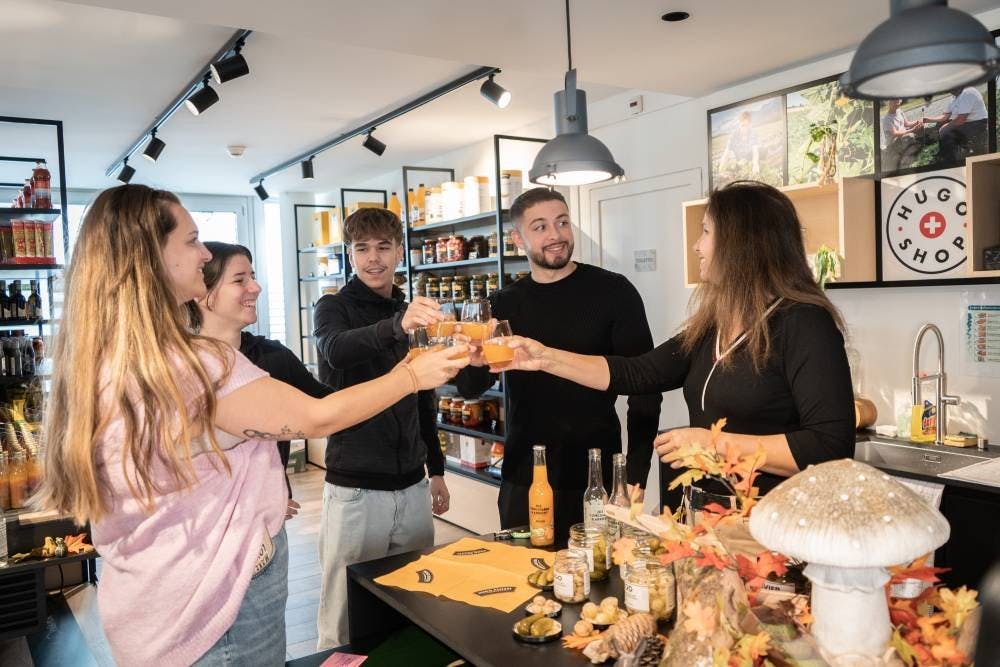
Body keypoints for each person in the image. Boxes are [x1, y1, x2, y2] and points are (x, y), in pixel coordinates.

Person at [34, 185, 468, 666]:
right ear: (149, 255)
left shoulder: (111, 360)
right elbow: (317, 415)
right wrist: (411, 375)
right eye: (193, 240)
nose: (204, 254)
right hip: (216, 610)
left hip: (156, 605)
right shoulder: (196, 365)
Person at [491, 181, 855, 510]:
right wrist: (543, 357)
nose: (697, 245)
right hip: (713, 513)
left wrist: (710, 443)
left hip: (777, 518)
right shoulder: (714, 323)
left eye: (706, 232)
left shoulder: (804, 322)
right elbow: (639, 372)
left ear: (742, 244)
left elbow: (828, 444)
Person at [455, 187, 662, 540]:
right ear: (517, 238)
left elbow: (645, 390)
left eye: (562, 222)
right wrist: (473, 356)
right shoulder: (502, 305)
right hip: (525, 474)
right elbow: (469, 388)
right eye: (540, 227)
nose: (555, 235)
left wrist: (634, 476)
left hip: (597, 475)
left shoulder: (615, 292)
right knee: (526, 580)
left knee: (599, 581)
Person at [313, 207, 453, 649]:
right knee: (344, 612)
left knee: (413, 601)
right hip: (356, 489)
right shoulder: (332, 307)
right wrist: (398, 324)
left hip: (412, 487)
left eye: (383, 247)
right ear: (349, 254)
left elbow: (423, 396)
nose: (373, 258)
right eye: (362, 248)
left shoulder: (407, 308)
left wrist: (437, 469)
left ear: (398, 251)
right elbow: (336, 350)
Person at [187, 241, 331, 512]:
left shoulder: (274, 356)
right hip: (209, 529)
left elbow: (327, 405)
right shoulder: (178, 365)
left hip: (271, 526)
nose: (255, 287)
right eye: (240, 279)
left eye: (253, 277)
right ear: (202, 292)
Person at [925, 86, 988, 165]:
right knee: (939, 125)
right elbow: (945, 116)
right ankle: (943, 152)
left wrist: (946, 127)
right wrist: (928, 120)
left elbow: (961, 119)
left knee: (947, 133)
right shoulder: (953, 97)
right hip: (965, 122)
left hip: (978, 123)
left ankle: (951, 160)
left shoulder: (968, 92)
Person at [881, 98, 922, 172]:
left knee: (919, 127)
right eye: (894, 102)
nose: (896, 104)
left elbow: (906, 124)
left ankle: (915, 152)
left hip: (903, 137)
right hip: (893, 143)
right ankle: (907, 161)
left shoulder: (900, 111)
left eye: (898, 102)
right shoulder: (886, 119)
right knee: (909, 136)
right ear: (889, 103)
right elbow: (895, 133)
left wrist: (917, 122)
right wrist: (912, 130)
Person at [718, 110, 761, 178]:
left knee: (763, 150)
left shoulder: (753, 133)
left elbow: (755, 150)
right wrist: (720, 170)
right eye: (743, 125)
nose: (745, 128)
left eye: (747, 126)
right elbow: (726, 154)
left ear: (750, 124)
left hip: (749, 157)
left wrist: (755, 164)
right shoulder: (733, 135)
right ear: (739, 123)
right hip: (739, 160)